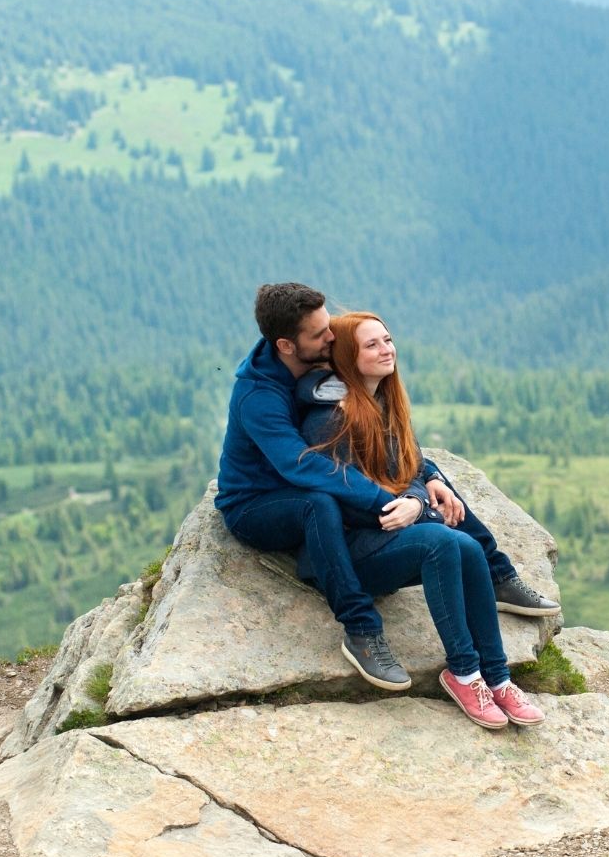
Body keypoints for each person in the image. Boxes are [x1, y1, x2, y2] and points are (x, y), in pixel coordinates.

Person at [215, 283, 558, 697]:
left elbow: (383, 440)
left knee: (436, 485)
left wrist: (427, 476)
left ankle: (496, 572)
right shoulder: (259, 395)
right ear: (286, 345)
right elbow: (300, 464)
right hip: (258, 502)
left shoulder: (315, 368)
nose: (331, 338)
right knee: (317, 503)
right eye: (320, 334)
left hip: (315, 486)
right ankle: (361, 629)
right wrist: (387, 500)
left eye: (330, 328)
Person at [297, 310, 553, 729]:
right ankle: (464, 672)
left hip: (384, 536)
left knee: (467, 547)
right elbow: (342, 497)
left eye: (388, 339)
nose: (387, 349)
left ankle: (498, 675)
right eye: (372, 344)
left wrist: (425, 487)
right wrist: (423, 508)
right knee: (441, 542)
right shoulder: (330, 417)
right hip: (349, 550)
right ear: (347, 354)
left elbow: (410, 464)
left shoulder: (382, 400)